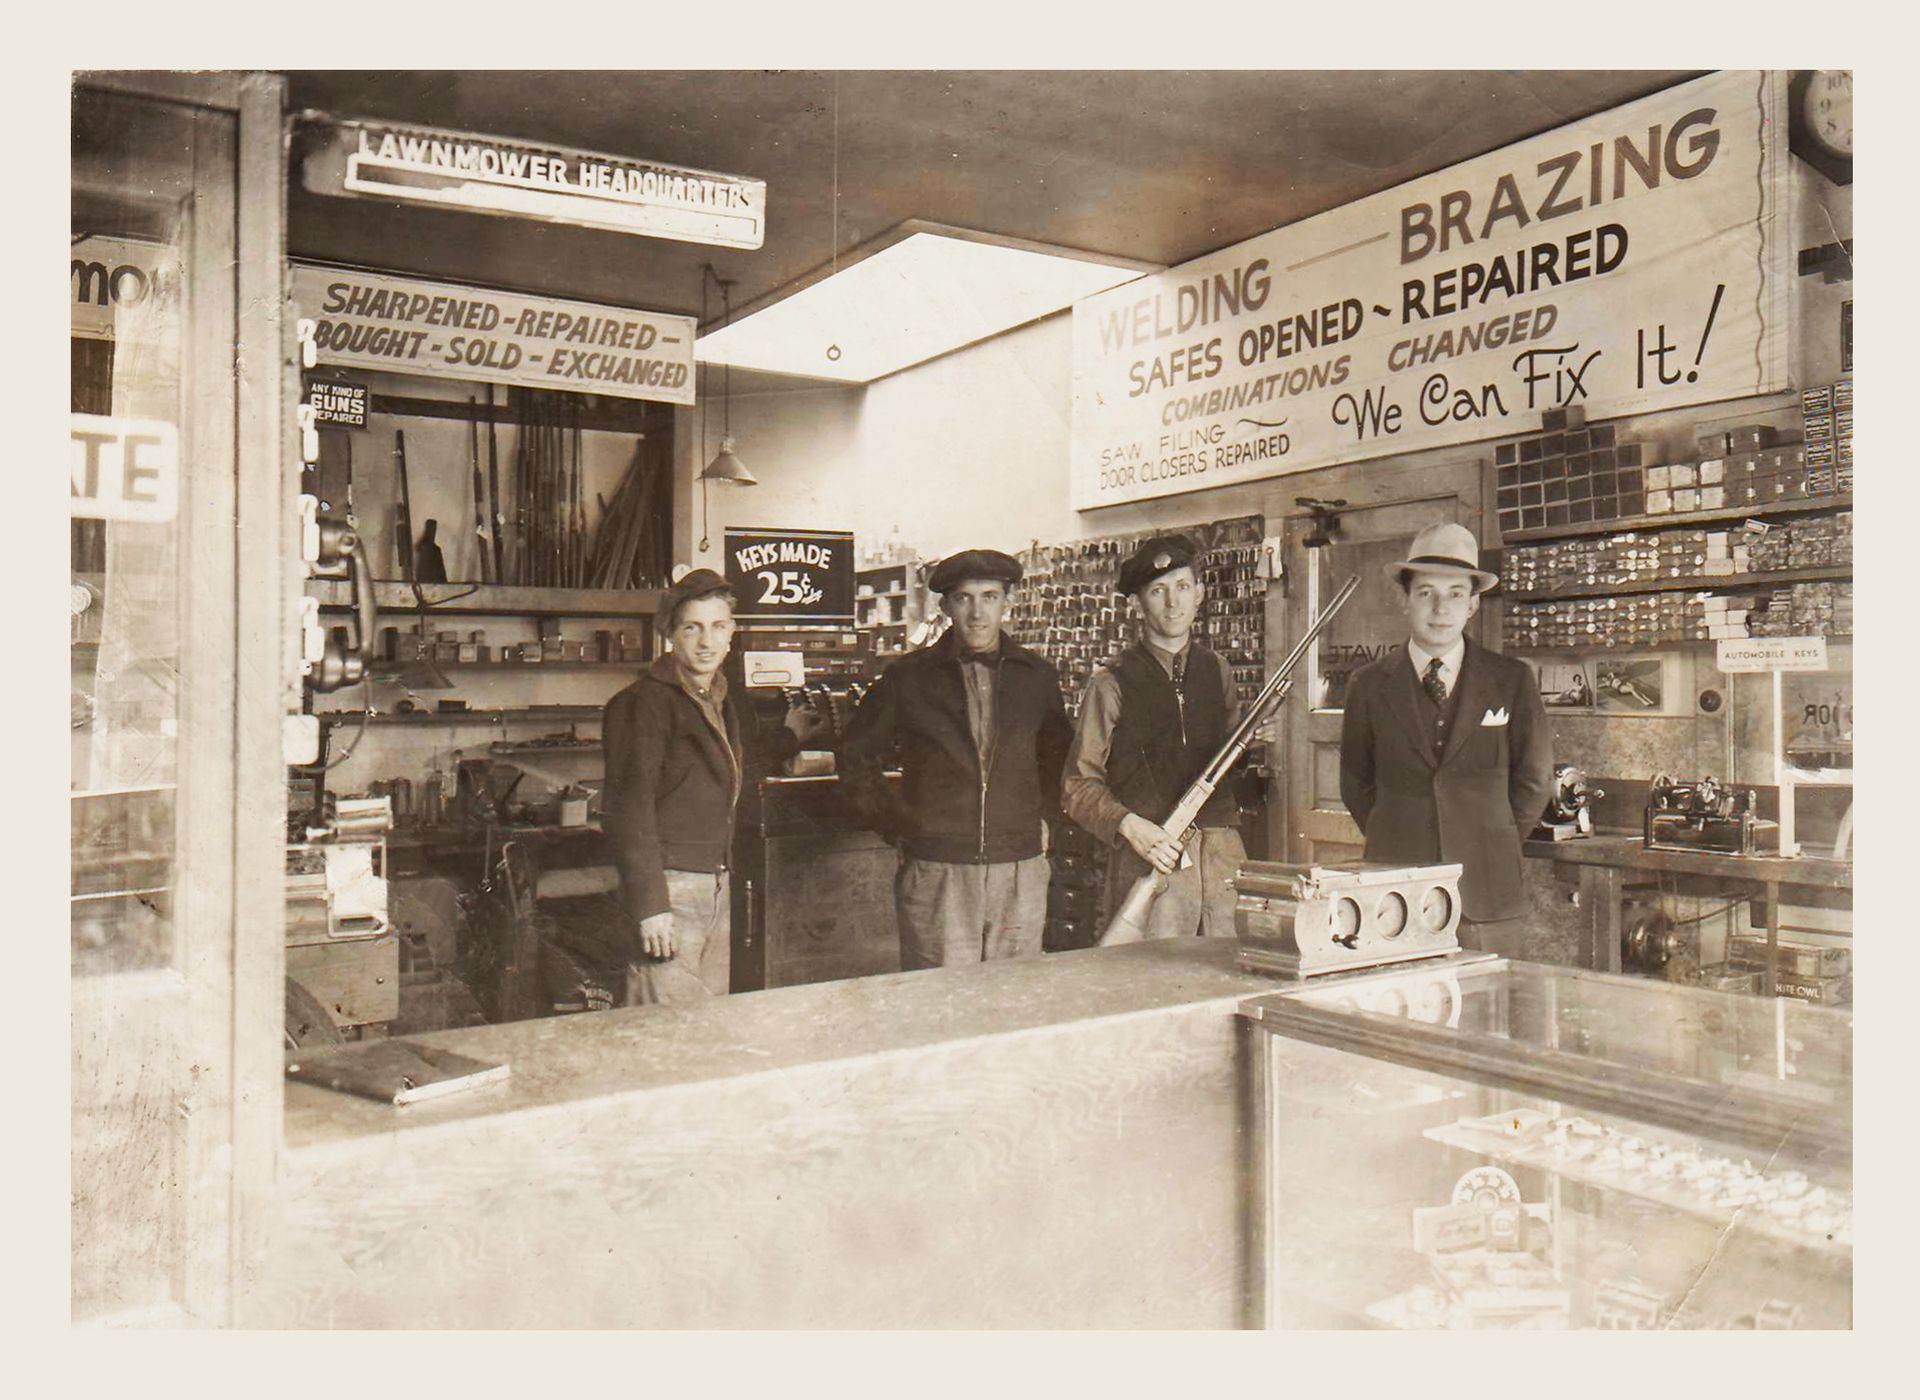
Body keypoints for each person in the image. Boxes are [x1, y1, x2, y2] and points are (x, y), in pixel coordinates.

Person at [839, 548, 1073, 970]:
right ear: (945, 606)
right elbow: (856, 755)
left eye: (990, 597)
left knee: (1015, 1004)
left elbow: (1058, 757)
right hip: (938, 871)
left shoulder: (1037, 677)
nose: (978, 612)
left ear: (1008, 602)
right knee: (939, 1008)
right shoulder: (907, 678)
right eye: (964, 598)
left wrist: (1043, 820)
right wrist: (901, 825)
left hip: (1018, 871)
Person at [602, 568, 819, 1005]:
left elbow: (739, 763)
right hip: (670, 888)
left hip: (717, 882)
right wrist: (650, 907)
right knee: (662, 1032)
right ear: (670, 634)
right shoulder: (643, 704)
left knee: (706, 1027)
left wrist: (792, 739)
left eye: (718, 627)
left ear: (732, 632)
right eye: (692, 628)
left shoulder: (722, 696)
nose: (707, 641)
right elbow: (630, 808)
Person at [1338, 521, 1555, 957]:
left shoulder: (1511, 680)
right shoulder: (1367, 685)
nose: (1441, 608)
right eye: (1426, 593)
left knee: (1492, 1017)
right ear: (1405, 600)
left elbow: (1534, 780)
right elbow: (1355, 785)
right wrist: (1400, 832)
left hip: (1487, 889)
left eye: (1455, 593)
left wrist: (1490, 837)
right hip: (1394, 889)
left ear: (1473, 604)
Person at [1062, 534, 1277, 942]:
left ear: (1200, 594)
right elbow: (1077, 786)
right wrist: (1129, 826)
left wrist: (1252, 745)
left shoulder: (1218, 671)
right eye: (1158, 591)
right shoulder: (1111, 683)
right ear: (1138, 604)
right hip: (1152, 856)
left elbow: (1227, 777)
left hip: (1221, 861)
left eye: (1182, 587)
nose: (1173, 602)